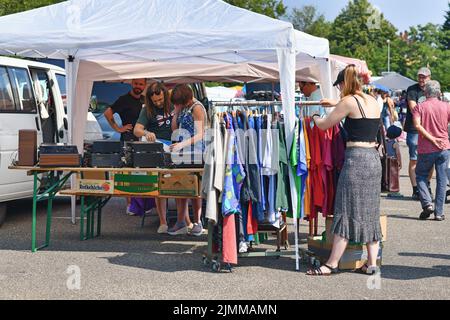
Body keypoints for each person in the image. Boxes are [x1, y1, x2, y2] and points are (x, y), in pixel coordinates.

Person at [306, 65, 382, 276]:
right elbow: (357, 114)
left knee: (346, 210)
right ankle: (372, 264)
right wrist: (335, 103)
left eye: (339, 85)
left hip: (356, 160)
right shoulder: (373, 100)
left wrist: (313, 117)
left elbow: (324, 125)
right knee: (370, 212)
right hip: (373, 160)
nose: (338, 90)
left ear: (343, 83)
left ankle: (332, 263)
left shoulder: (348, 101)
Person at [168, 84, 207, 236]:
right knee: (180, 187)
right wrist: (176, 113)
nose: (178, 106)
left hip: (196, 153)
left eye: (179, 103)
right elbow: (174, 129)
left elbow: (200, 134)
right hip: (183, 153)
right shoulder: (184, 108)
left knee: (194, 189)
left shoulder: (197, 108)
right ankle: (181, 222)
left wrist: (182, 144)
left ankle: (197, 222)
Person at [134, 82, 174, 233]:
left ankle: (186, 221)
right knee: (160, 185)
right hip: (159, 149)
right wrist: (146, 133)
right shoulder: (147, 110)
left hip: (177, 147)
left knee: (180, 184)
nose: (158, 103)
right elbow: (137, 130)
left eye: (161, 100)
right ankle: (163, 222)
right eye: (155, 101)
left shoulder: (173, 103)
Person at [103, 79, 147, 215]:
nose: (138, 86)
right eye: (136, 83)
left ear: (144, 86)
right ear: (131, 84)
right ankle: (129, 205)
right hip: (128, 140)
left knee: (143, 172)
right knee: (128, 171)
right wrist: (118, 128)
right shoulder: (123, 99)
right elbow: (107, 113)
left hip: (143, 140)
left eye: (140, 84)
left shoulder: (145, 100)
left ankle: (143, 203)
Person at [412, 81, 450, 222]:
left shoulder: (419, 107)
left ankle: (427, 203)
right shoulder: (447, 106)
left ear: (425, 93)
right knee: (442, 180)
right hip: (444, 147)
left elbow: (417, 125)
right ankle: (439, 213)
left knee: (421, 175)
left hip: (426, 149)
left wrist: (431, 138)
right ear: (439, 92)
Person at [404, 68, 432, 200]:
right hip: (414, 128)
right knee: (414, 158)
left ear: (429, 77)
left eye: (424, 77)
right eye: (420, 77)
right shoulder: (412, 89)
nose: (421, 80)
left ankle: (427, 186)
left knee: (430, 159)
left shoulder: (433, 89)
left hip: (430, 129)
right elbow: (413, 108)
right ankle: (416, 189)